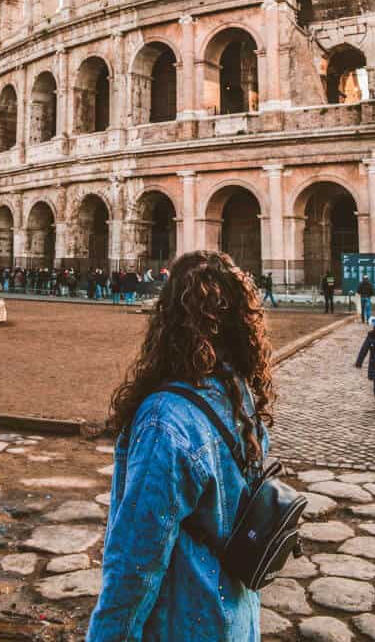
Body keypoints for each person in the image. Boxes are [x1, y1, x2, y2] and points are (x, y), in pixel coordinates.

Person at [86, 251, 273, 641]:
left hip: (184, 619)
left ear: (167, 318)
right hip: (236, 616)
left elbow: (136, 561)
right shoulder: (239, 394)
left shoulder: (164, 419)